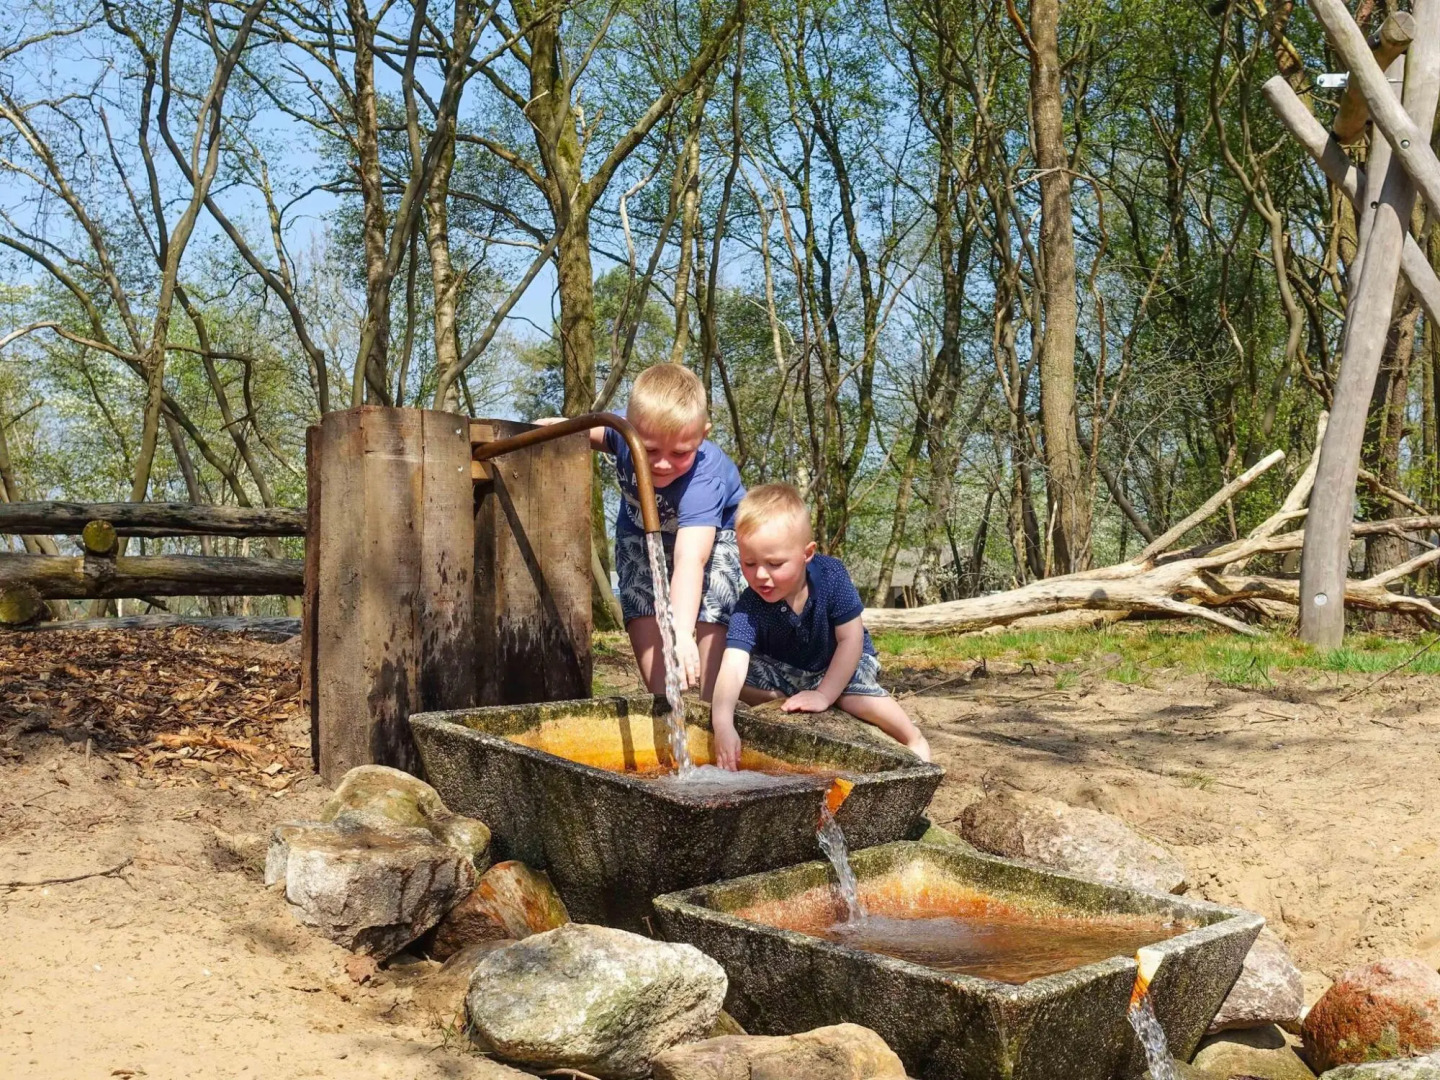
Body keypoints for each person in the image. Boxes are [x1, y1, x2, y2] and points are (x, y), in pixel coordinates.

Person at [540, 364, 745, 699]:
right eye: (649, 450)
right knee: (638, 599)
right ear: (629, 430)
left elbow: (691, 559)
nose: (663, 463)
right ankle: (667, 700)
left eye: (680, 453)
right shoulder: (619, 430)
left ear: (703, 434)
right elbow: (572, 429)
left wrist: (681, 631)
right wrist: (533, 431)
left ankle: (712, 702)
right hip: (640, 529)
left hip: (714, 535)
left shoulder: (704, 481)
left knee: (714, 598)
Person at [710, 483, 931, 768]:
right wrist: (723, 724)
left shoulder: (831, 576)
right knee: (732, 680)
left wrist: (826, 694)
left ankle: (912, 737)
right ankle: (801, 696)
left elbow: (850, 640)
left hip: (843, 660)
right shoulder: (750, 604)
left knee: (851, 696)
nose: (761, 575)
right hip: (790, 673)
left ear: (807, 553)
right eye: (749, 563)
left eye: (775, 564)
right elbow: (733, 665)